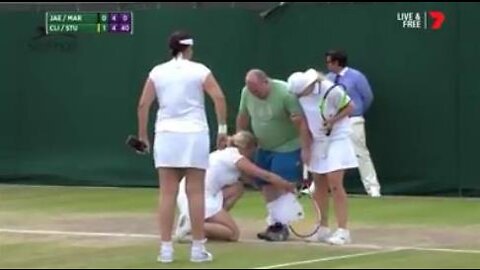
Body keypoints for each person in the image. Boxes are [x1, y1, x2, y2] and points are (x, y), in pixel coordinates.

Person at [136, 30, 228, 263]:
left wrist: (142, 136)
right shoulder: (199, 70)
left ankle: (165, 250)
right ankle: (197, 250)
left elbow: (143, 104)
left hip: (167, 136)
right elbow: (218, 97)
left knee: (167, 193)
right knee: (195, 192)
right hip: (194, 135)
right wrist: (223, 130)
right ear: (188, 48)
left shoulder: (158, 72)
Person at [174, 131, 297, 242]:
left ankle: (206, 223)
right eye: (253, 150)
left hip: (187, 192)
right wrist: (288, 185)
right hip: (198, 197)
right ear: (248, 148)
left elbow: (250, 181)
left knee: (237, 188)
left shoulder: (224, 153)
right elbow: (266, 176)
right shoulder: (236, 158)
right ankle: (191, 227)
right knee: (233, 234)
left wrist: (271, 190)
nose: (253, 154)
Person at [236, 69, 312, 241]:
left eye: (256, 90)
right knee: (266, 186)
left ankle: (282, 226)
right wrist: (237, 138)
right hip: (263, 147)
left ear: (266, 82)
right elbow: (243, 116)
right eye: (251, 90)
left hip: (288, 146)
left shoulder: (286, 93)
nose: (253, 93)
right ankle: (275, 223)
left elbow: (301, 122)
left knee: (282, 185)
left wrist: (306, 148)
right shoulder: (246, 92)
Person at [287, 68, 358, 245]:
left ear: (308, 85)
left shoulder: (331, 90)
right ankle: (323, 229)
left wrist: (333, 120)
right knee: (319, 184)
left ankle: (343, 231)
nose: (298, 95)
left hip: (338, 137)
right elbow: (304, 125)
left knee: (335, 183)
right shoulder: (299, 97)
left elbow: (351, 107)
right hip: (318, 140)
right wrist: (306, 148)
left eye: (300, 92)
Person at [325, 50, 381, 197]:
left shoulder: (356, 77)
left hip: (353, 120)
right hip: (333, 122)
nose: (327, 65)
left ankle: (373, 189)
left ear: (337, 62)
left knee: (360, 153)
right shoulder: (329, 78)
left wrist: (356, 112)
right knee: (327, 153)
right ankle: (317, 187)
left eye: (329, 62)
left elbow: (367, 97)